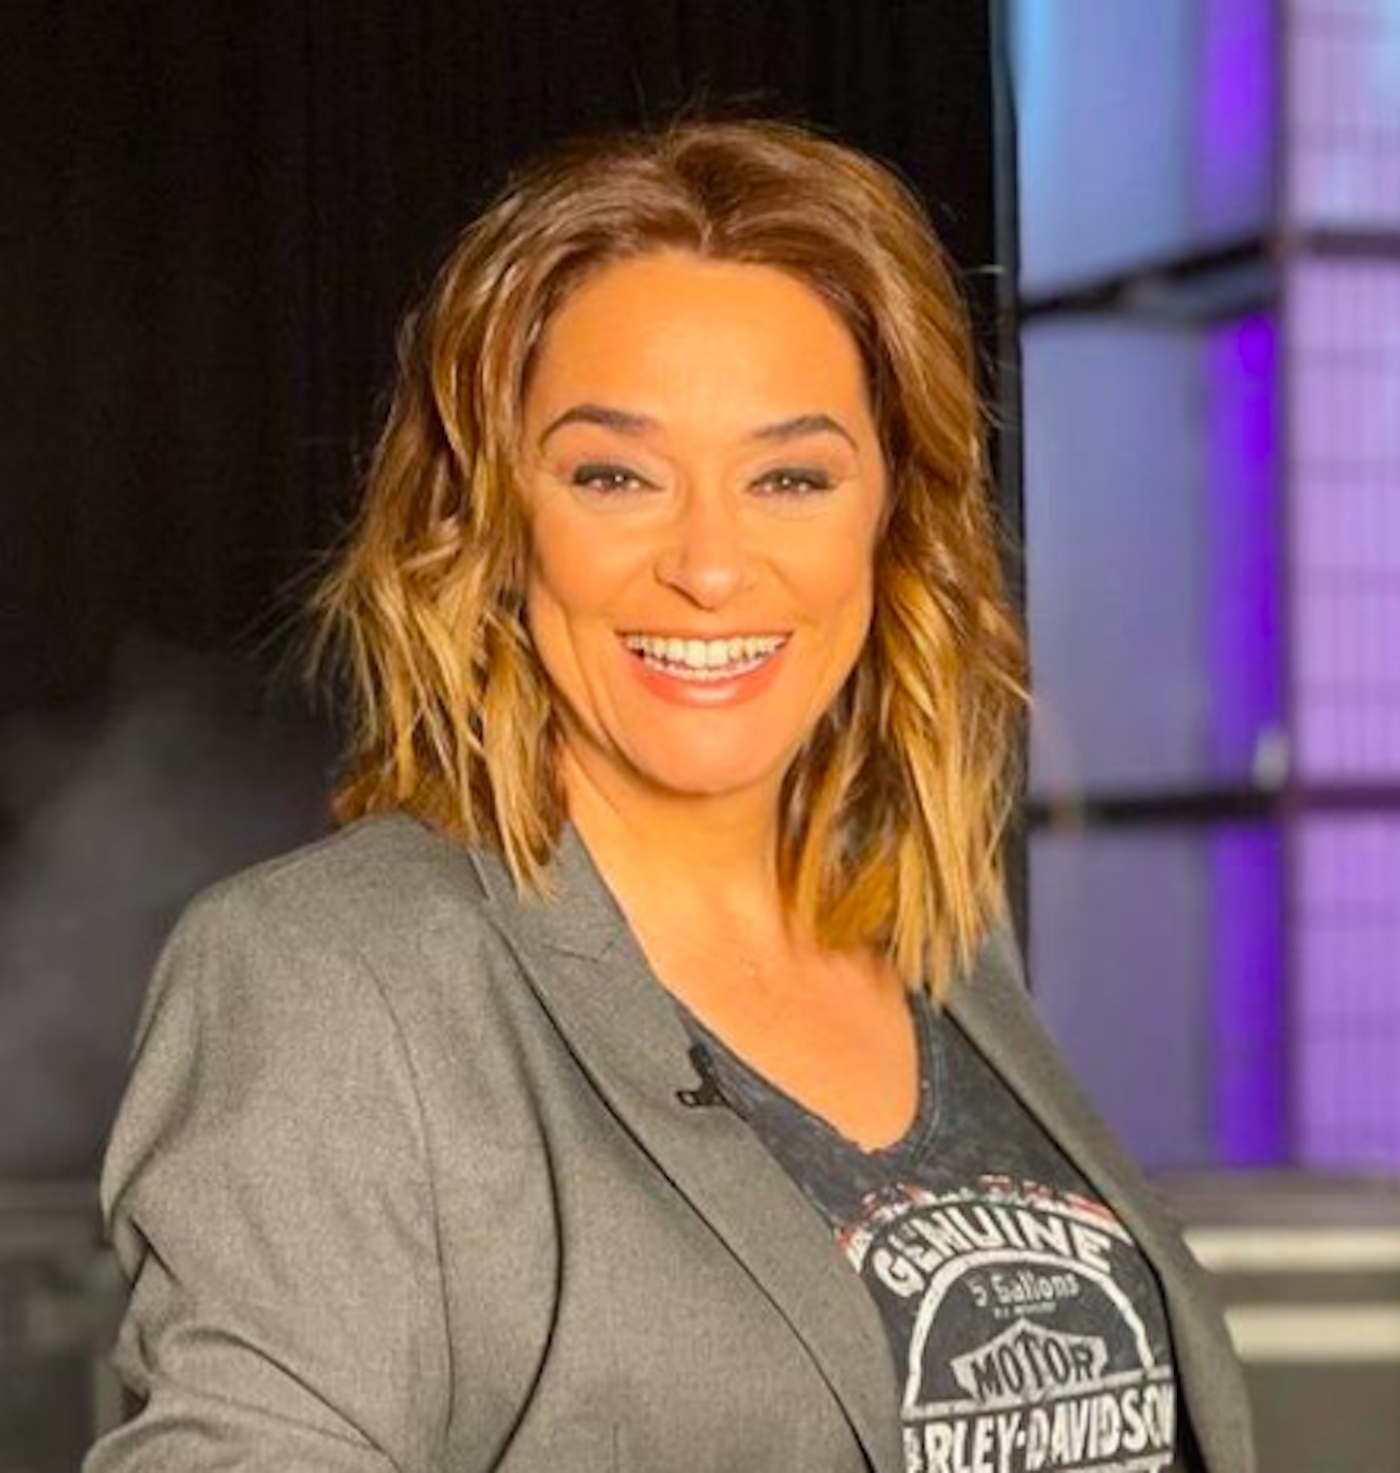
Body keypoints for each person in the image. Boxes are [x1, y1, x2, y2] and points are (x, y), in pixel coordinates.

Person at [85, 119, 1253, 1473]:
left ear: (894, 517)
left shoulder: (937, 935)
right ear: (491, 521)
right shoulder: (328, 977)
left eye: (790, 477)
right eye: (615, 476)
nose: (710, 565)